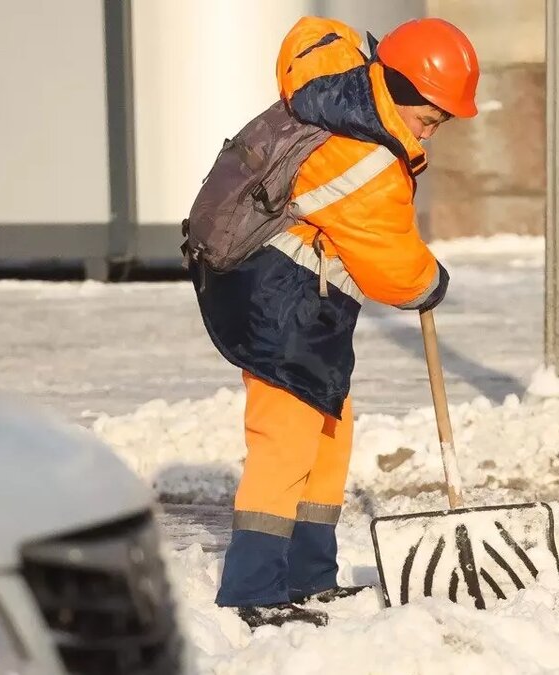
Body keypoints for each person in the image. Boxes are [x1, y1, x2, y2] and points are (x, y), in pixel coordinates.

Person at [193, 16, 480, 628]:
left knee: (330, 426)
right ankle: (253, 589)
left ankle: (309, 574)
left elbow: (315, 31)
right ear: (399, 93)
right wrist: (431, 282)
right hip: (271, 300)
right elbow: (395, 270)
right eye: (429, 120)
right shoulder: (364, 159)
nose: (431, 134)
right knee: (285, 439)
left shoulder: (343, 91)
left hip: (294, 295)